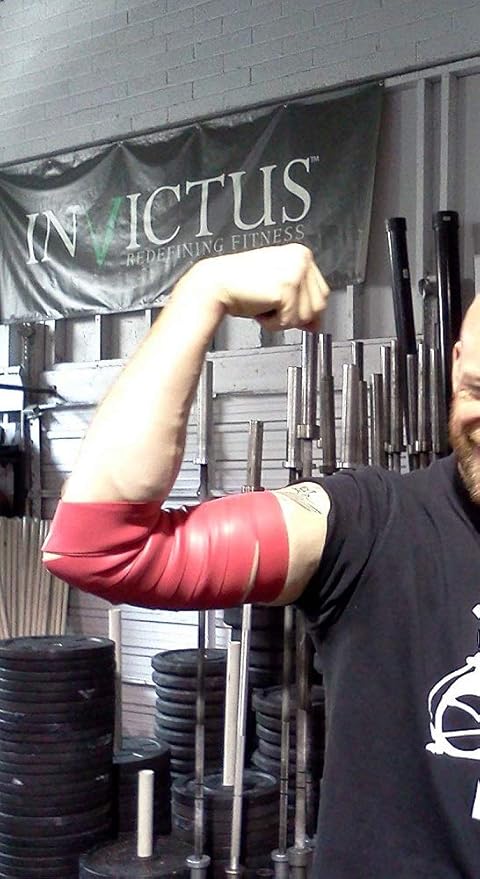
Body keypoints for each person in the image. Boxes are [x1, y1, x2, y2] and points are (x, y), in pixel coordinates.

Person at [42, 244, 480, 878]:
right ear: (457, 363)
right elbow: (101, 546)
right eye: (478, 389)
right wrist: (202, 293)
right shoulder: (372, 528)